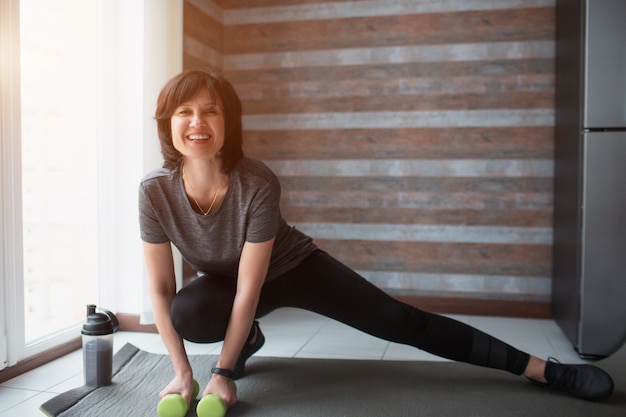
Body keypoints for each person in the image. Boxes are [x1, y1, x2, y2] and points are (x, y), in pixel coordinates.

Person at [139, 69, 614, 410]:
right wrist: (183, 372)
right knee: (189, 312)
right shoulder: (154, 191)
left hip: (292, 269)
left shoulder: (257, 181)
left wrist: (219, 374)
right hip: (226, 282)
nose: (197, 122)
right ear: (168, 123)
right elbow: (161, 291)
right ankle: (248, 341)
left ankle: (544, 370)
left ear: (228, 124)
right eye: (184, 112)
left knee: (402, 322)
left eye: (210, 111)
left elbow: (251, 289)